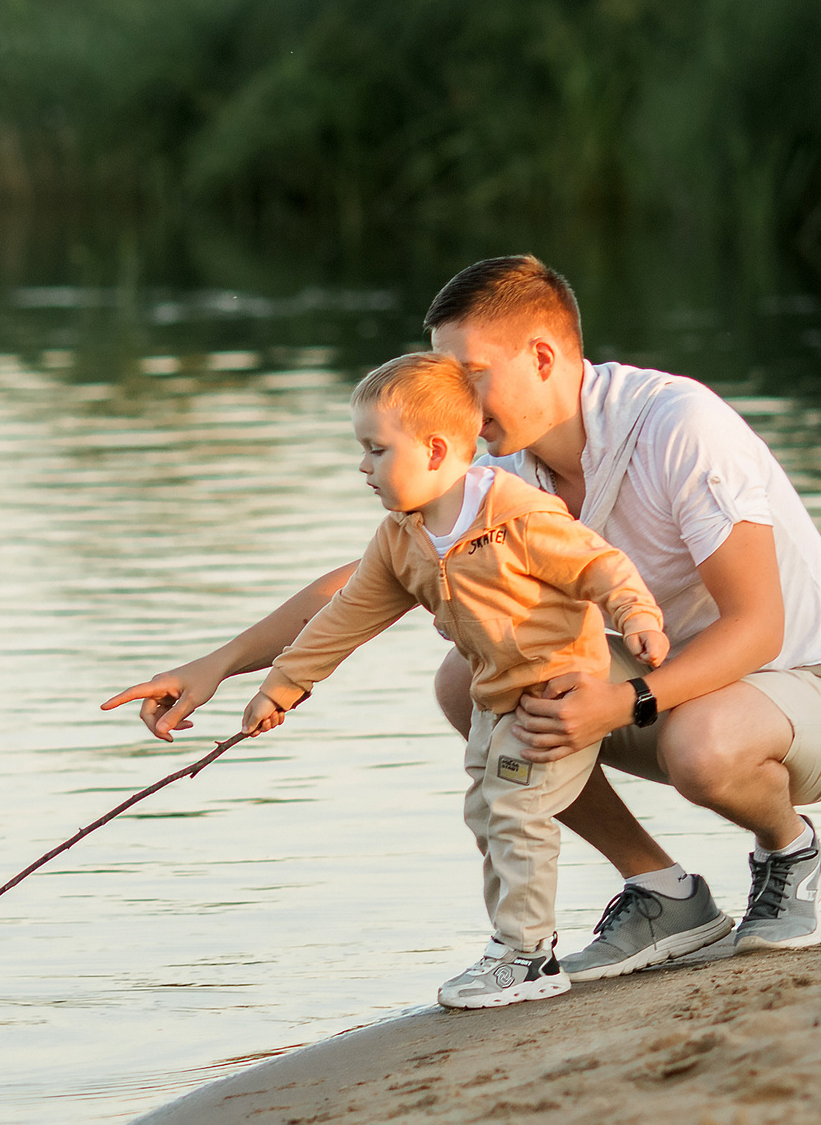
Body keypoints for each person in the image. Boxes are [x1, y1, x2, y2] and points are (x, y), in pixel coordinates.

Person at [106, 254, 821, 982]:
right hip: (678, 683)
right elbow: (368, 583)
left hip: (810, 689)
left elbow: (758, 629)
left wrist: (619, 702)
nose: (457, 404)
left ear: (543, 357)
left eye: (470, 374)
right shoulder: (503, 463)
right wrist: (219, 665)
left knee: (702, 744)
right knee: (471, 680)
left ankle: (789, 853)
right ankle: (663, 890)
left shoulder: (680, 427)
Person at [239, 351, 669, 1009]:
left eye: (376, 450)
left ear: (436, 449)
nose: (362, 466)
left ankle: (528, 956)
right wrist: (285, 684)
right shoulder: (401, 536)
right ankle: (511, 944)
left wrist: (636, 617)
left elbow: (601, 567)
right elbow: (346, 615)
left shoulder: (517, 514)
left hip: (559, 689)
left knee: (518, 812)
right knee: (486, 813)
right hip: (495, 698)